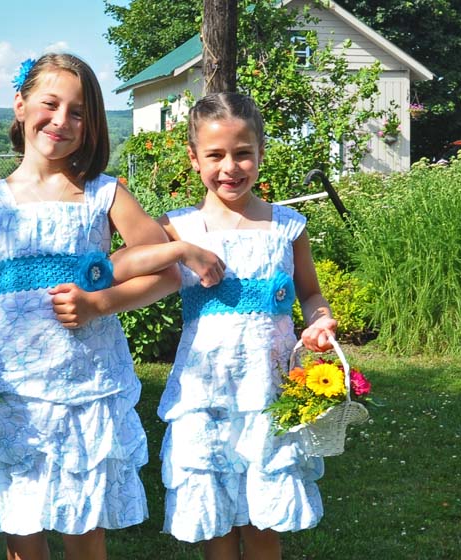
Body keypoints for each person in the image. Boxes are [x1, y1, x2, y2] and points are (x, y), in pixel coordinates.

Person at [0, 53, 222, 560]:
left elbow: (165, 274)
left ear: (92, 123)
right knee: (22, 524)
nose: (61, 121)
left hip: (87, 385)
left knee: (83, 525)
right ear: (20, 105)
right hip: (14, 386)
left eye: (78, 112)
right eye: (50, 104)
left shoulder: (105, 195)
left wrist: (99, 304)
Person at [156, 92, 338, 559]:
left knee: (263, 520)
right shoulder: (178, 228)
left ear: (260, 154)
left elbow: (310, 293)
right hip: (204, 393)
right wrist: (178, 252)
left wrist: (320, 321)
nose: (230, 167)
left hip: (267, 390)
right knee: (215, 516)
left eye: (243, 154)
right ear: (194, 159)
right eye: (215, 155)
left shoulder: (287, 227)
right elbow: (123, 264)